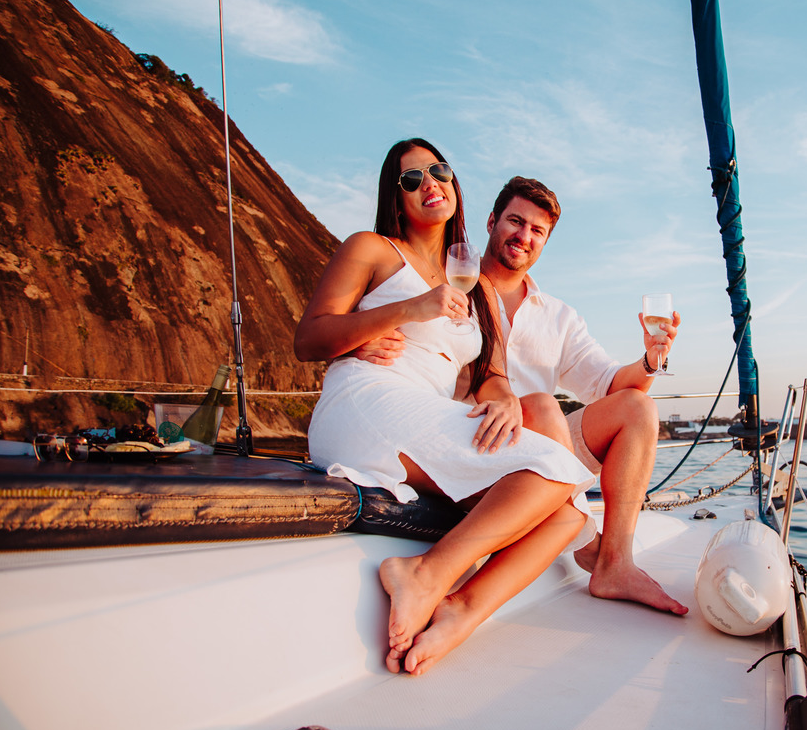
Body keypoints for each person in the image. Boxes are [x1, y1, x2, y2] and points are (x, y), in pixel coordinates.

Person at [295, 139, 595, 676]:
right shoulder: (373, 248)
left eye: (439, 170)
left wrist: (504, 404)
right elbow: (310, 338)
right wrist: (407, 309)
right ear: (396, 195)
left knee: (569, 510)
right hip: (366, 399)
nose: (430, 183)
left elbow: (491, 377)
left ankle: (463, 608)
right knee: (555, 470)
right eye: (412, 179)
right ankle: (425, 575)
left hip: (420, 413)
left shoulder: (474, 281)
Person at [357, 176, 689, 616]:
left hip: (541, 439)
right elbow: (394, 328)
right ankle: (579, 537)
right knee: (543, 408)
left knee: (637, 407)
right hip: (466, 442)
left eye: (538, 231)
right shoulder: (446, 284)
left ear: (545, 242)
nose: (524, 236)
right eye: (515, 221)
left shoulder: (559, 316)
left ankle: (614, 563)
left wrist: (649, 360)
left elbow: (612, 383)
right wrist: (362, 342)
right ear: (492, 221)